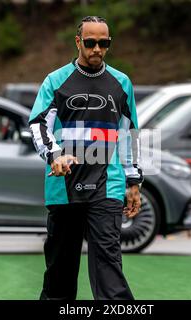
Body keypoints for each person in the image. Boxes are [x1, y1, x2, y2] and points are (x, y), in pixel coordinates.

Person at [29, 16, 143, 300]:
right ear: (78, 41)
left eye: (104, 43)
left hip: (108, 185)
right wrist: (54, 154)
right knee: (60, 270)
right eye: (90, 43)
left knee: (108, 264)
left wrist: (134, 181)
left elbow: (131, 134)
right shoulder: (55, 81)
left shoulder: (122, 82)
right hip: (63, 185)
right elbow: (38, 124)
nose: (97, 49)